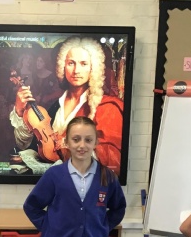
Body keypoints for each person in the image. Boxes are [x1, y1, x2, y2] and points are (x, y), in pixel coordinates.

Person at [11, 37, 124, 175]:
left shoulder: (108, 107)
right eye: (71, 63)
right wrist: (20, 111)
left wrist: (68, 145)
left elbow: (113, 161)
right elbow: (26, 144)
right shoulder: (54, 105)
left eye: (83, 64)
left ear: (93, 68)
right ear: (63, 66)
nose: (76, 70)